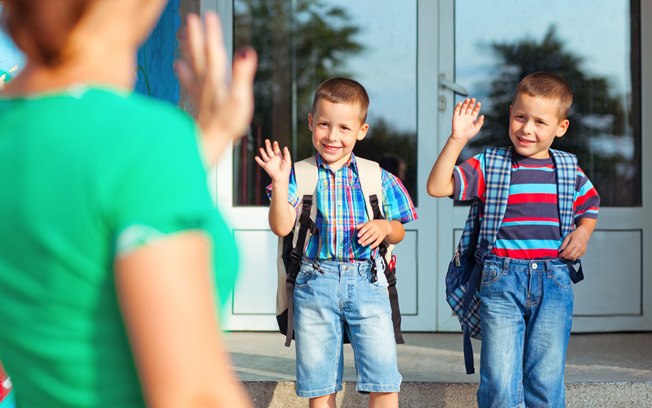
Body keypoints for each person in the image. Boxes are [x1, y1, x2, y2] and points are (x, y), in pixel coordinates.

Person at [0, 1, 257, 407]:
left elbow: (74, 214)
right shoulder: (143, 143)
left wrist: (199, 147)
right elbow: (193, 396)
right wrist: (166, 154)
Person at [426, 72, 600, 407]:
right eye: (521, 117)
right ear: (510, 114)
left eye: (539, 121)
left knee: (545, 380)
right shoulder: (491, 164)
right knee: (501, 381)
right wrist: (457, 140)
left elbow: (590, 205)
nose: (527, 129)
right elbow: (437, 187)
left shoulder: (567, 168)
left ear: (560, 128)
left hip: (554, 282)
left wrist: (584, 232)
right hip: (500, 280)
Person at [256, 77, 417, 408]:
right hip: (315, 283)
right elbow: (281, 226)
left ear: (361, 130)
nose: (333, 136)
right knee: (320, 387)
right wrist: (278, 180)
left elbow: (400, 229)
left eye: (344, 128)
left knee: (384, 380)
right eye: (325, 125)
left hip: (368, 283)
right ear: (311, 123)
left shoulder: (378, 176)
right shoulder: (297, 175)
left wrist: (385, 226)